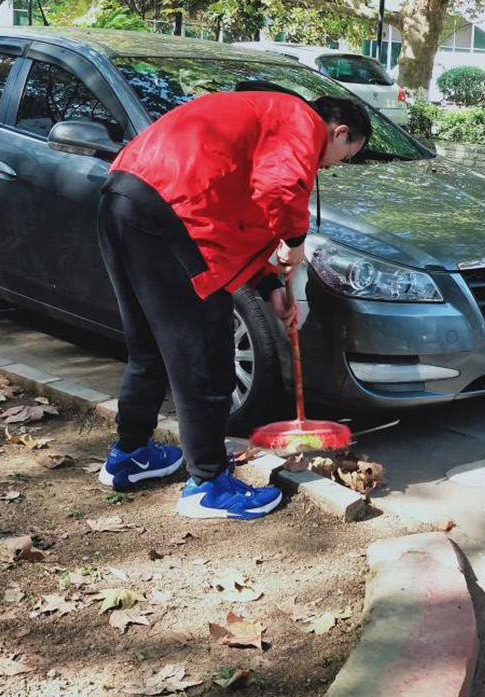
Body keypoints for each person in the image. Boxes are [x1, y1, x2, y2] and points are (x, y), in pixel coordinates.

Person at [95, 84, 371, 520]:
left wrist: (269, 285)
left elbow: (241, 216)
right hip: (173, 215)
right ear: (339, 132)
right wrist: (295, 241)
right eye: (346, 156)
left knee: (149, 347)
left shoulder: (263, 115)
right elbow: (280, 187)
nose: (332, 165)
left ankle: (130, 455)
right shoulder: (301, 120)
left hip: (124, 199)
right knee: (206, 356)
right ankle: (207, 485)